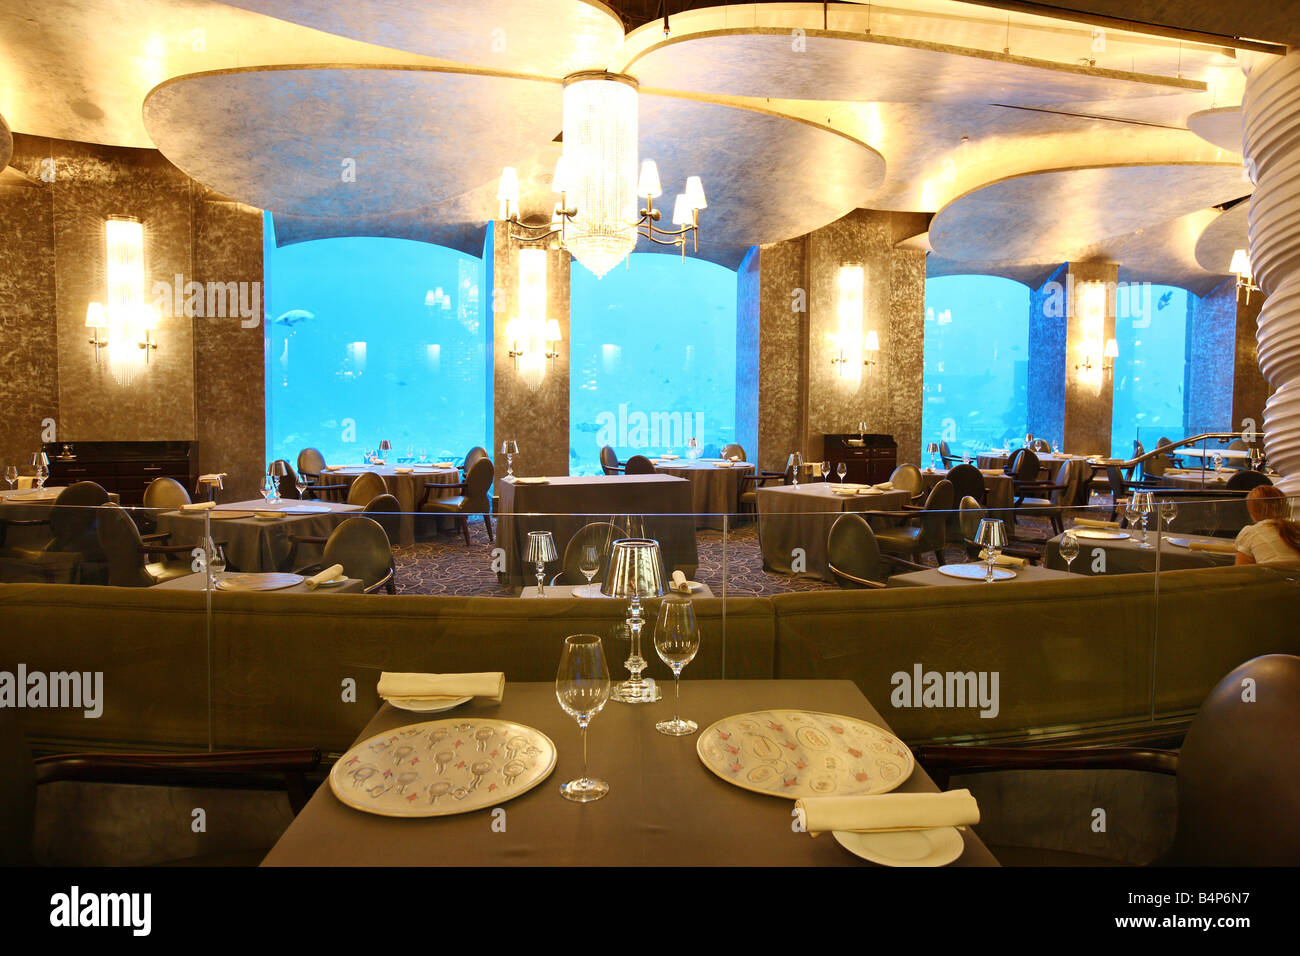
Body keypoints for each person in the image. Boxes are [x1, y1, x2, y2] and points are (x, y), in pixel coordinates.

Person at [1235, 486, 1300, 565]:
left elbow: (1241, 572)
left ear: (1252, 512)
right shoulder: (1296, 527)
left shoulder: (1250, 532)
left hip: (1275, 576)